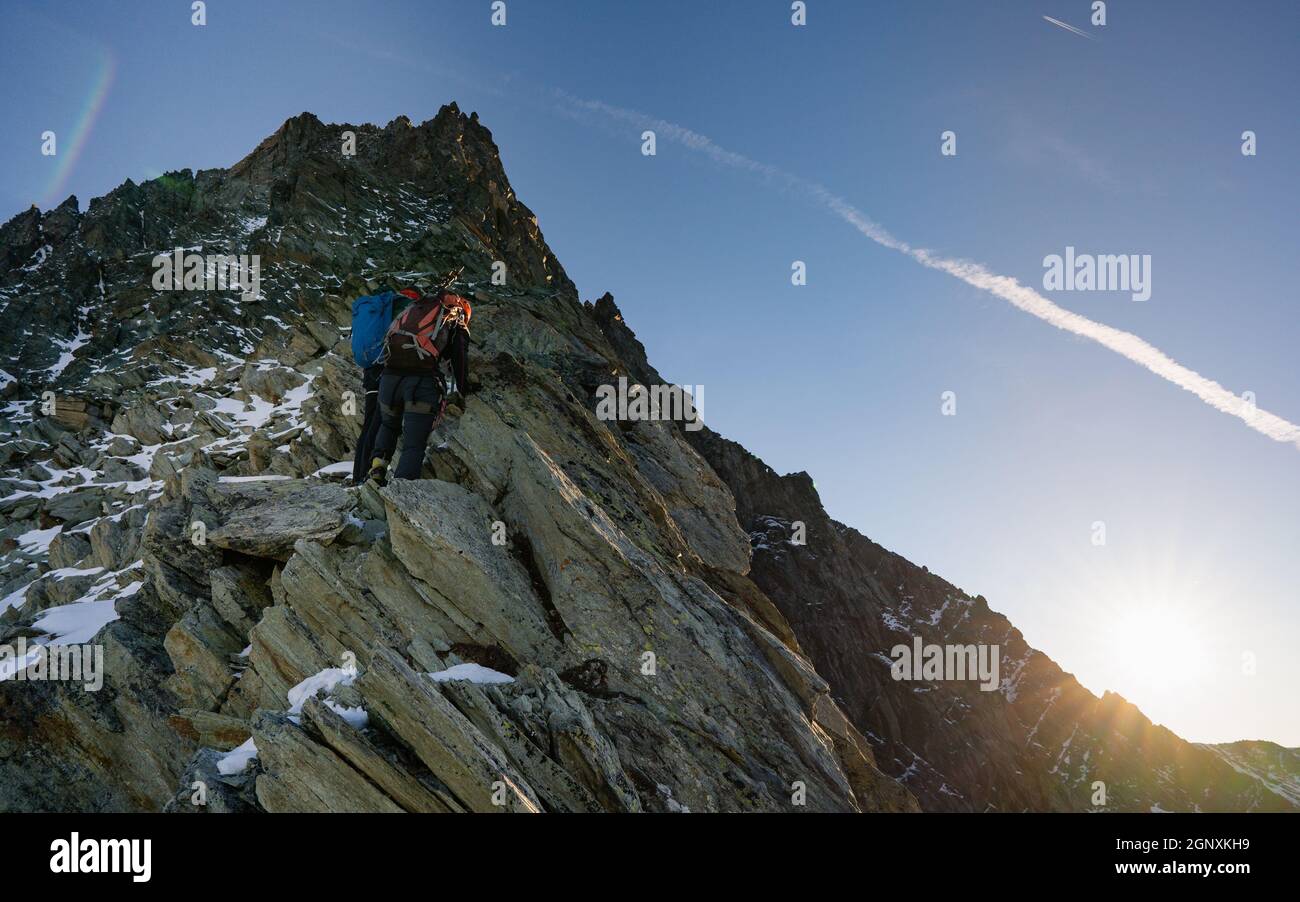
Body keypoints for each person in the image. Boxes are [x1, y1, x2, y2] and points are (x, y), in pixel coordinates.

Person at [367, 284, 471, 485]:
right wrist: (465, 388)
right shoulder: (454, 319)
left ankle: (377, 468)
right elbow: (459, 357)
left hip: (389, 380)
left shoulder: (414, 310)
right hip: (421, 383)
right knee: (414, 445)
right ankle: (402, 492)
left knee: (389, 425)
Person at [350, 288, 416, 484]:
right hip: (385, 369)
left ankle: (358, 475)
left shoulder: (376, 309)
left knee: (370, 422)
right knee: (380, 421)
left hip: (370, 370)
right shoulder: (404, 307)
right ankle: (365, 475)